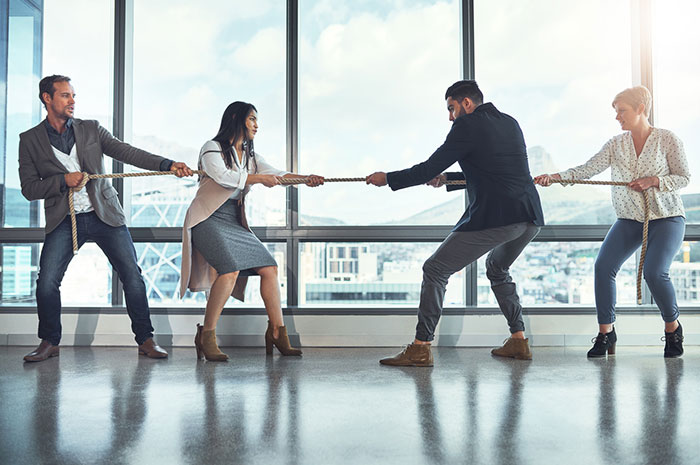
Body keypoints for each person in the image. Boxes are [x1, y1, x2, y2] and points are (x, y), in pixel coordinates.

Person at [366, 80, 544, 366]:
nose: (450, 117)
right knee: (497, 268)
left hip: (499, 216)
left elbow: (428, 167)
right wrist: (448, 179)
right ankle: (519, 341)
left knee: (435, 269)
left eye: (451, 108)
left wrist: (388, 178)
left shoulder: (467, 125)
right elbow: (494, 171)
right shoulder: (510, 123)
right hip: (530, 216)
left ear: (466, 103)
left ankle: (421, 347)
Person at [19, 74, 193, 362]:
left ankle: (146, 340)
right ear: (47, 99)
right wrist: (63, 180)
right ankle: (49, 341)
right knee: (46, 281)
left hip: (105, 215)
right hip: (64, 219)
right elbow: (29, 189)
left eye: (73, 95)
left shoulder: (91, 129)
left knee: (132, 276)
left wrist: (167, 164)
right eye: (65, 95)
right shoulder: (29, 140)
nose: (72, 100)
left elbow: (128, 153)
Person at [534, 85, 689, 358]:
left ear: (641, 108)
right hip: (629, 219)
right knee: (603, 267)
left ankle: (672, 329)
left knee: (654, 272)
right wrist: (555, 177)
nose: (617, 117)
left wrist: (654, 181)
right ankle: (606, 333)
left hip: (667, 217)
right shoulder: (615, 145)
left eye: (622, 111)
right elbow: (587, 169)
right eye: (616, 112)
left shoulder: (668, 139)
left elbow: (684, 177)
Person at [180, 101, 324, 361]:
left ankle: (278, 334)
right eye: (252, 119)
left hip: (234, 220)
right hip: (207, 219)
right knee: (230, 269)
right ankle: (207, 335)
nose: (257, 125)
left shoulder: (250, 157)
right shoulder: (211, 148)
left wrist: (305, 179)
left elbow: (277, 175)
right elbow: (222, 176)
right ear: (236, 118)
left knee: (269, 268)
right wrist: (258, 179)